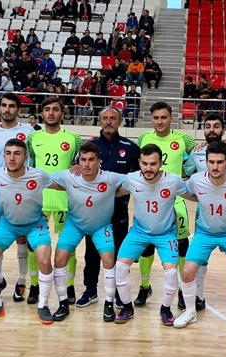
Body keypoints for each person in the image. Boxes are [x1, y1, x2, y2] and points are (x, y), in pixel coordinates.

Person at [174, 141, 226, 334]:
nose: (215, 166)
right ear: (206, 162)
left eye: (220, 162)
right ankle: (190, 312)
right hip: (205, 233)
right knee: (187, 273)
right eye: (211, 162)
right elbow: (188, 192)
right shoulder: (196, 180)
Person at [0, 139, 55, 324]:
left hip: (35, 223)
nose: (12, 158)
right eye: (8, 153)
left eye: (17, 153)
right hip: (8, 224)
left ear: (26, 158)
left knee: (44, 261)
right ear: (3, 156)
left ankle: (43, 305)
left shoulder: (38, 175)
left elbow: (59, 184)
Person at [114, 144, 188, 325]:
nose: (148, 168)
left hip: (166, 233)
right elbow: (110, 189)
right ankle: (127, 307)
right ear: (139, 162)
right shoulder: (131, 179)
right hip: (138, 232)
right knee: (121, 268)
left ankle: (165, 309)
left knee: (171, 273)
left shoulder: (173, 181)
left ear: (161, 163)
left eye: (153, 164)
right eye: (145, 163)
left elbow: (195, 194)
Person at [50, 142, 125, 322]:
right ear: (78, 161)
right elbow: (41, 177)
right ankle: (62, 303)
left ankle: (108, 304)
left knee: (108, 260)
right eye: (83, 160)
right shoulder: (69, 176)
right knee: (59, 258)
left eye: (91, 160)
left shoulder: (111, 178)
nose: (86, 164)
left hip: (101, 226)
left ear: (99, 161)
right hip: (74, 224)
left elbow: (137, 179)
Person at [77, 107, 139, 308]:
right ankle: (91, 290)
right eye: (105, 118)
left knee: (120, 253)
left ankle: (120, 293)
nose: (109, 121)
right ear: (100, 121)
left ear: (119, 121)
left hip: (119, 209)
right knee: (92, 252)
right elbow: (76, 170)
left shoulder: (130, 147)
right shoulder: (90, 146)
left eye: (113, 118)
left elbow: (138, 179)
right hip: (93, 209)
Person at [135, 102, 196, 308]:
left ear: (171, 118)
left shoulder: (183, 138)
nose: (160, 121)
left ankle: (180, 290)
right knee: (146, 244)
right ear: (151, 119)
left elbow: (198, 156)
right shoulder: (144, 138)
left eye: (164, 117)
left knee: (180, 245)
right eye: (156, 118)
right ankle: (145, 286)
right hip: (148, 198)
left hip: (175, 200)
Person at [26, 98, 83, 304]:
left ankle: (68, 287)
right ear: (42, 113)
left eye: (55, 110)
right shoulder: (33, 137)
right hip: (39, 200)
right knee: (34, 246)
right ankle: (34, 285)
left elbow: (82, 161)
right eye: (47, 109)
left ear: (62, 114)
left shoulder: (74, 138)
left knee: (69, 246)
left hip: (65, 199)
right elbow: (30, 164)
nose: (51, 113)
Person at [0, 93, 35, 300]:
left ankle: (22, 280)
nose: (7, 109)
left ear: (18, 109)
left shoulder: (29, 132)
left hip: (22, 189)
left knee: (22, 237)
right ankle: (0, 278)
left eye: (11, 106)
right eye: (3, 105)